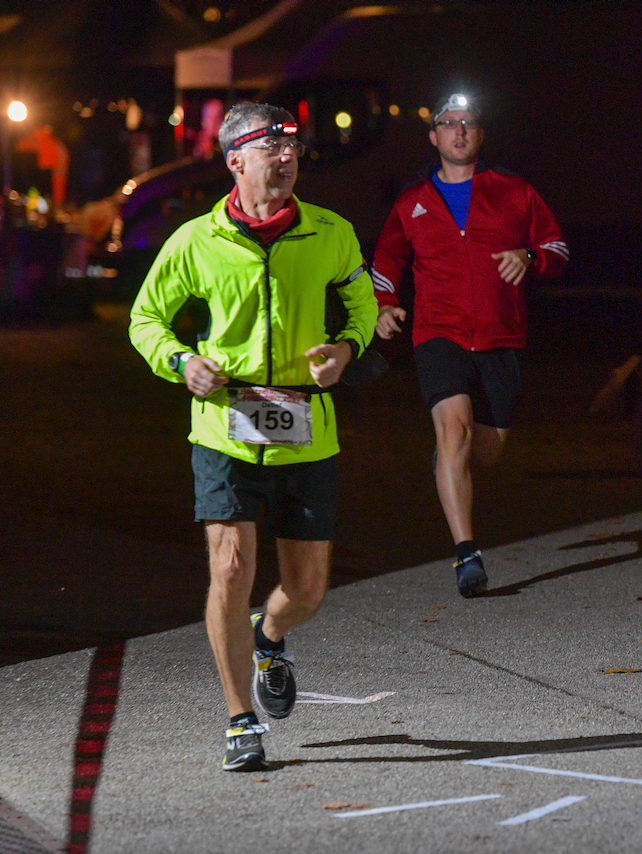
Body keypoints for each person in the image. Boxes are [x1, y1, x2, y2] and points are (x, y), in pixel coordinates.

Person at [129, 102, 376, 771]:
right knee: (231, 568)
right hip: (224, 432)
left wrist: (349, 347)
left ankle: (270, 638)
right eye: (271, 147)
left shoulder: (331, 232)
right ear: (235, 160)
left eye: (292, 147)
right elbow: (145, 319)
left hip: (305, 433)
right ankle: (240, 719)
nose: (287, 158)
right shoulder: (195, 241)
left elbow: (363, 303)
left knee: (308, 590)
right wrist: (182, 362)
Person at [371, 93, 568, 597]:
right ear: (433, 135)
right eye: (448, 123)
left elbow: (557, 248)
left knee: (487, 451)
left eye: (469, 123)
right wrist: (383, 305)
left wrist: (530, 258)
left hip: (502, 335)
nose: (459, 131)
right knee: (453, 429)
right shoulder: (411, 203)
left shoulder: (514, 191)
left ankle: (447, 459)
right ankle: (467, 555)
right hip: (439, 332)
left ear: (480, 135)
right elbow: (386, 264)